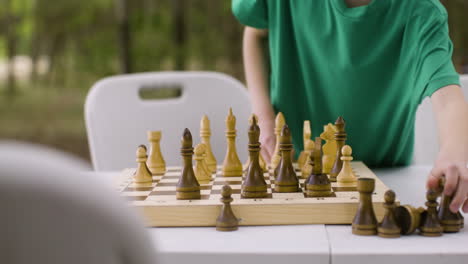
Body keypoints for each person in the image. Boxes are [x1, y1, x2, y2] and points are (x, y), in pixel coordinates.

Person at [232, 0, 468, 213]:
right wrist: (263, 115)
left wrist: (455, 151)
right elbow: (255, 32)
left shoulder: (421, 12)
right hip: (292, 174)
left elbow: (447, 96)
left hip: (384, 177)